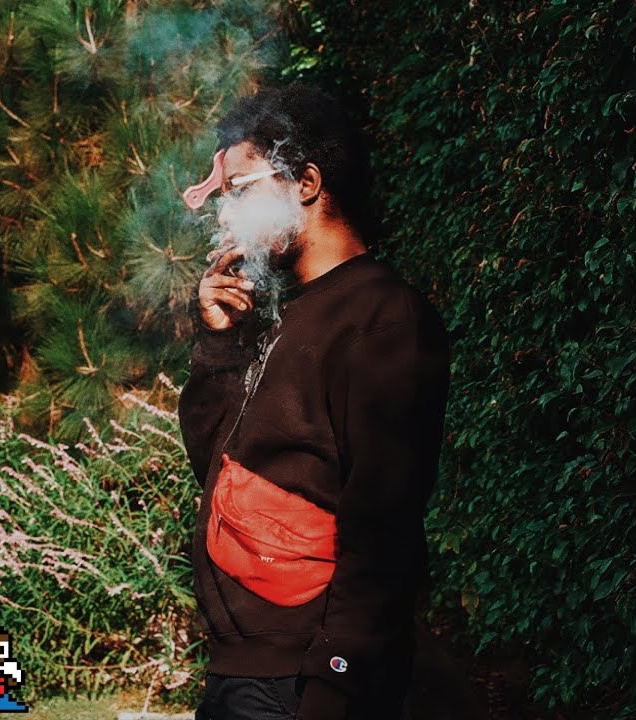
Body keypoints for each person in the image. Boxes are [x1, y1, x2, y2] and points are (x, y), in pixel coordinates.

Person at [177, 84, 451, 720]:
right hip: (246, 673)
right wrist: (218, 342)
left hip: (304, 683)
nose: (226, 216)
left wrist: (335, 682)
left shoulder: (382, 320)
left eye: (240, 190)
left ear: (306, 183)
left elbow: (383, 523)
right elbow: (216, 467)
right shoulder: (279, 313)